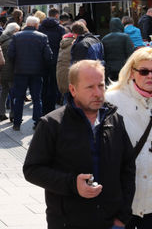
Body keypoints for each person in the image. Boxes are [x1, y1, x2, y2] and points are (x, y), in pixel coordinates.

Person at [23, 60, 135, 229]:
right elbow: (32, 170)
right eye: (90, 87)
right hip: (67, 222)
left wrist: (123, 216)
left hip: (112, 222)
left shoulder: (115, 119)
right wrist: (72, 184)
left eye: (101, 85)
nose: (97, 93)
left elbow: (128, 168)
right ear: (73, 90)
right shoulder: (52, 124)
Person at [106, 48, 152, 228]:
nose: (150, 76)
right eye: (144, 71)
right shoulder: (111, 101)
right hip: (123, 202)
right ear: (132, 72)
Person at [8, 16, 53, 130]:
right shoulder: (42, 37)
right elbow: (48, 56)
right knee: (37, 98)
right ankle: (37, 122)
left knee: (19, 98)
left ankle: (17, 123)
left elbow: (10, 54)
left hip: (20, 71)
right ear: (36, 25)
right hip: (36, 72)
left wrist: (16, 64)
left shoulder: (16, 36)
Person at [39, 8, 66, 115]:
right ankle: (52, 109)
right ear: (57, 16)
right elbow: (63, 44)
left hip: (43, 60)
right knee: (54, 84)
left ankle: (44, 109)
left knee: (44, 84)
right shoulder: (60, 29)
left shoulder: (40, 27)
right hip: (56, 60)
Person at [0, 23, 20, 121]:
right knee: (13, 93)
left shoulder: (1, 39)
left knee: (3, 91)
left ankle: (1, 113)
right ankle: (12, 114)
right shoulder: (13, 42)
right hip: (11, 70)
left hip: (1, 69)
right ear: (14, 31)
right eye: (17, 31)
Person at [102, 18, 134, 82]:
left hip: (110, 69)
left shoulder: (104, 39)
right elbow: (131, 53)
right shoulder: (125, 37)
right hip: (123, 67)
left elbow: (103, 55)